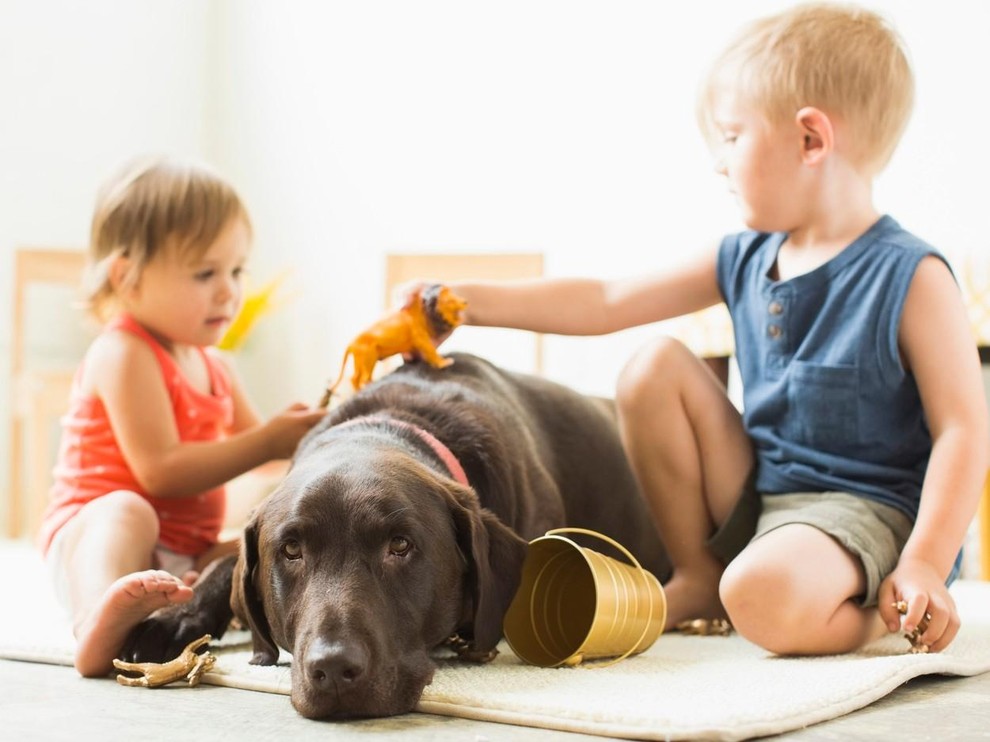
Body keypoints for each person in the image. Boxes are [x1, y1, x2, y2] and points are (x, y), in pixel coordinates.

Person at [404, 4, 988, 655]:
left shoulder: (912, 274)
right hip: (760, 493)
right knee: (652, 364)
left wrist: (926, 562)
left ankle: (883, 608)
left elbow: (964, 427)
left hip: (865, 513)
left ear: (811, 140)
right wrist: (461, 303)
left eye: (732, 137)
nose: (717, 161)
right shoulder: (743, 256)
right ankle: (701, 573)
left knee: (762, 595)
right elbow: (605, 299)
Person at [38, 156, 326, 677]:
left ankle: (161, 610)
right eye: (204, 273)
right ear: (127, 278)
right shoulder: (125, 351)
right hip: (96, 543)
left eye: (236, 271)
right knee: (129, 509)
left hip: (178, 554)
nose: (228, 291)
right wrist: (267, 440)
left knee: (254, 546)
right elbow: (161, 471)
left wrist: (309, 443)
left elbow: (268, 466)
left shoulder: (217, 367)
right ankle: (95, 621)